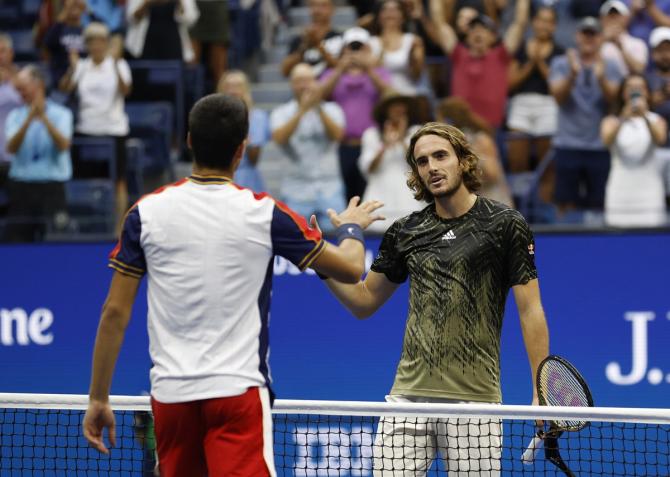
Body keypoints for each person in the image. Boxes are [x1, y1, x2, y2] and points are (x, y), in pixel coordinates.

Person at [81, 93, 384, 476]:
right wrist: (352, 226)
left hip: (172, 397)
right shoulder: (265, 212)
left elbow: (114, 312)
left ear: (189, 140)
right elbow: (350, 268)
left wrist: (98, 398)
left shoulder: (144, 213)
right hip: (237, 395)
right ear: (242, 149)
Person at [317, 121, 549, 475]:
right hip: (407, 399)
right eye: (422, 161)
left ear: (463, 161)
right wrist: (318, 256)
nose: (432, 167)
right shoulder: (406, 231)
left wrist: (539, 389)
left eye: (440, 156)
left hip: (476, 403)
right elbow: (363, 301)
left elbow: (530, 310)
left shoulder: (505, 224)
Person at [59, 22, 132, 235]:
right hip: (86, 129)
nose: (96, 46)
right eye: (91, 41)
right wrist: (72, 69)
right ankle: (86, 226)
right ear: (87, 45)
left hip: (114, 130)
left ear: (107, 43)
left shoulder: (118, 64)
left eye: (100, 41)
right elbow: (65, 88)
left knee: (119, 181)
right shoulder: (81, 65)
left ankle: (119, 228)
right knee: (84, 180)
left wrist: (117, 64)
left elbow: (126, 90)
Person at [549, 17, 624, 215]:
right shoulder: (561, 63)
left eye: (593, 34)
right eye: (585, 33)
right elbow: (558, 97)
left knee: (599, 203)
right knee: (565, 204)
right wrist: (572, 75)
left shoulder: (612, 65)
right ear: (577, 36)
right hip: (567, 144)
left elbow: (615, 102)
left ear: (601, 38)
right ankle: (562, 244)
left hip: (599, 145)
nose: (589, 38)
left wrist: (601, 78)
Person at [270, 63, 347, 232]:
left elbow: (338, 135)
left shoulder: (332, 109)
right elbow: (279, 138)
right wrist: (302, 110)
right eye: (299, 81)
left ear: (315, 82)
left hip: (329, 188)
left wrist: (317, 106)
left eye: (308, 80)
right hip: (296, 189)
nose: (304, 85)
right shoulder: (281, 113)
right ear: (291, 85)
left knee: (336, 237)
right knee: (296, 238)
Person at [320, 26, 392, 201]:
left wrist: (368, 69)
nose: (354, 53)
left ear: (368, 49)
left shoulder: (379, 72)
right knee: (344, 196)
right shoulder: (331, 74)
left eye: (359, 48)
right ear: (343, 50)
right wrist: (339, 68)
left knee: (370, 194)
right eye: (351, 48)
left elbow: (390, 95)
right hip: (341, 146)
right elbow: (319, 95)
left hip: (370, 145)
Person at [4, 65, 73, 242]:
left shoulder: (62, 114)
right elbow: (11, 148)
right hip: (22, 187)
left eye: (23, 88)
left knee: (57, 241)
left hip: (52, 188)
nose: (20, 93)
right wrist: (28, 120)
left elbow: (64, 145)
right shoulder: (15, 116)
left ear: (38, 85)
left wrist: (44, 118)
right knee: (17, 242)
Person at [438, 0, 530, 129]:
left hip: (491, 131)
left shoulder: (501, 55)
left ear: (493, 37)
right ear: (467, 36)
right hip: (460, 129)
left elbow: (520, 23)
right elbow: (439, 23)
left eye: (483, 29)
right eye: (473, 29)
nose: (478, 32)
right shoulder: (458, 54)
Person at [601, 74, 668, 227]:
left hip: (649, 190)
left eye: (640, 88)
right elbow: (606, 141)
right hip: (620, 189)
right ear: (623, 93)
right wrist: (624, 117)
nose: (635, 91)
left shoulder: (656, 120)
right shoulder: (611, 120)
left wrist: (644, 115)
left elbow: (660, 139)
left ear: (648, 93)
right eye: (631, 87)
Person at [507, 5, 563, 174]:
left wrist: (540, 63)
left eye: (549, 22)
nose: (544, 25)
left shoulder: (560, 52)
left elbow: (558, 88)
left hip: (548, 104)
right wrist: (531, 65)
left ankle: (544, 200)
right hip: (520, 104)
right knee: (516, 162)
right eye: (540, 20)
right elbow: (510, 82)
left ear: (554, 26)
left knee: (547, 165)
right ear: (533, 23)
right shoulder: (521, 48)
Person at [359, 92, 422, 234]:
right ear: (385, 110)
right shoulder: (371, 134)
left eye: (401, 106)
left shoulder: (416, 132)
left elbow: (419, 163)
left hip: (409, 199)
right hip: (378, 198)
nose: (398, 110)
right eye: (394, 106)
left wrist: (400, 139)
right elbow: (368, 168)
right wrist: (385, 145)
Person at [438, 96, 513, 207]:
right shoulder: (451, 144)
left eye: (440, 119)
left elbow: (492, 174)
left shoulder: (480, 139)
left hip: (493, 203)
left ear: (449, 120)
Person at [216, 69, 269, 192]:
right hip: (218, 177)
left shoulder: (257, 117)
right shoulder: (212, 117)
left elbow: (254, 159)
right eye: (228, 86)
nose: (232, 91)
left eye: (237, 86)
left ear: (246, 90)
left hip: (247, 178)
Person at [368, 0, 426, 96]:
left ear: (403, 17)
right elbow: (370, 72)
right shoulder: (370, 43)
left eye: (395, 9)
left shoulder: (413, 41)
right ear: (379, 17)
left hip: (407, 95)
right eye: (385, 10)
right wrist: (383, 46)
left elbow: (417, 76)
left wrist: (413, 59)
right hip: (380, 98)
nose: (390, 13)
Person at [281, 0, 342, 77]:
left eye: (323, 6)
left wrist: (318, 46)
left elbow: (342, 68)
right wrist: (303, 47)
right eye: (313, 5)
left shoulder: (340, 38)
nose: (317, 10)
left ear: (332, 9)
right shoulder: (300, 39)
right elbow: (285, 70)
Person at [125, 0, 200, 62]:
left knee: (172, 75)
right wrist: (146, 3)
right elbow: (130, 18)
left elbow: (191, 18)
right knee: (147, 75)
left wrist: (180, 3)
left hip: (173, 43)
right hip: (145, 45)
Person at [44, 0, 87, 88]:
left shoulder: (87, 30)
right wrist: (67, 10)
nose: (75, 9)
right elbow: (47, 44)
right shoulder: (59, 28)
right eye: (72, 6)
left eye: (77, 6)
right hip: (60, 81)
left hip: (84, 80)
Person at [599, 0, 648, 75]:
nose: (613, 18)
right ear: (602, 19)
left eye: (617, 15)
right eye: (610, 15)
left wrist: (620, 47)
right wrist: (603, 40)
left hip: (627, 83)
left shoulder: (637, 43)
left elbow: (639, 70)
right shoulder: (593, 41)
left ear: (626, 18)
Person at [0, 34, 21, 183]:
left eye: (2, 51)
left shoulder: (23, 78)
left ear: (11, 53)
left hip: (16, 154)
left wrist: (13, 82)